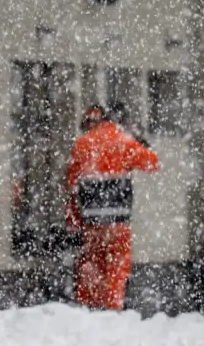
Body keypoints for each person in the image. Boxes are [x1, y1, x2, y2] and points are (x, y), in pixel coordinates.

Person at [65, 103, 159, 310]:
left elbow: (71, 184)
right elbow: (153, 162)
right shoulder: (123, 142)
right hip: (118, 221)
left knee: (90, 265)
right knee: (116, 267)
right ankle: (112, 308)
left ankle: (88, 308)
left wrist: (73, 221)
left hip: (91, 222)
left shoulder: (82, 143)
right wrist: (139, 140)